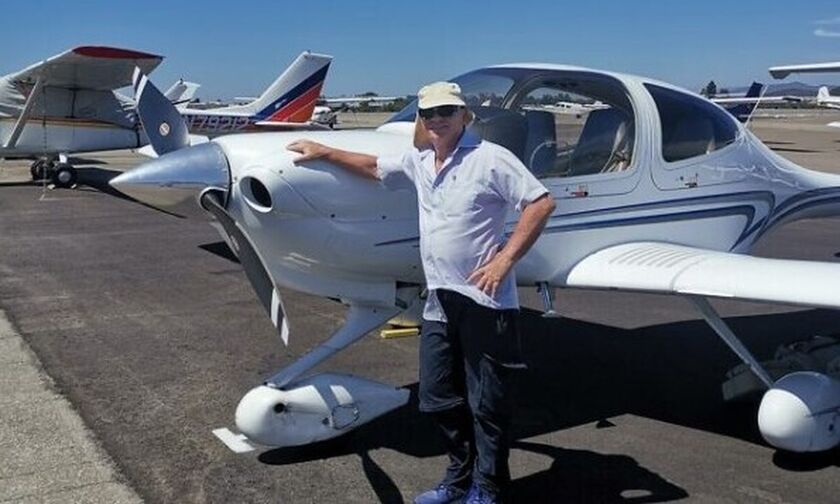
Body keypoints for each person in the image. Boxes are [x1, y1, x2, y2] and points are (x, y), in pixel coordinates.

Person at [287, 81, 555, 504]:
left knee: (487, 404)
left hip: (485, 301)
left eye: (446, 111)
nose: (437, 119)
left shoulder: (490, 158)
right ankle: (458, 478)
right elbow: (375, 167)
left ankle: (489, 488)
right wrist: (325, 152)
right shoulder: (421, 160)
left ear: (463, 115)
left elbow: (540, 203)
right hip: (439, 300)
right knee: (436, 396)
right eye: (428, 113)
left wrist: (504, 260)